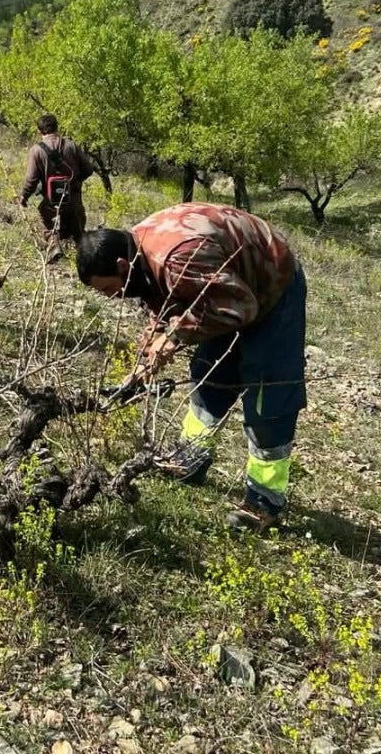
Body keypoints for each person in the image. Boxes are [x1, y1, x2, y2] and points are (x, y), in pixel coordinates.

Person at [76, 202, 307, 531]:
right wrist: (147, 357)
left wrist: (173, 337)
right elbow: (165, 296)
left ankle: (263, 501)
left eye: (108, 289)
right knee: (209, 371)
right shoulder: (135, 249)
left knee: (266, 397)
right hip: (222, 290)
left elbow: (239, 308)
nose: (111, 297)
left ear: (121, 266)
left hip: (271, 289)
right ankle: (191, 458)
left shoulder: (178, 257)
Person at [18, 113, 95, 264]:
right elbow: (88, 169)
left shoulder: (36, 151)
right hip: (73, 199)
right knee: (78, 230)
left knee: (46, 219)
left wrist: (24, 196)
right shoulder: (71, 145)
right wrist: (75, 182)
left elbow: (31, 179)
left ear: (40, 131)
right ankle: (86, 259)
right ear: (57, 127)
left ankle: (54, 245)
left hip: (50, 200)